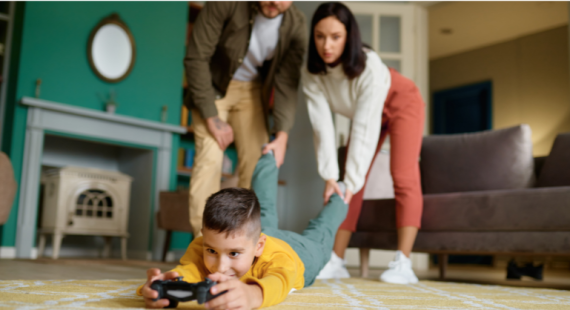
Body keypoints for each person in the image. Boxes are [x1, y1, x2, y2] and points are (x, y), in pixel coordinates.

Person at [302, 2, 425, 284]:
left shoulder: (368, 66)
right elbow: (322, 126)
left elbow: (364, 129)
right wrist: (331, 177)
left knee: (403, 175)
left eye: (336, 37)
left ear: (349, 37)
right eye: (320, 36)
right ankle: (337, 260)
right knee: (347, 183)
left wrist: (349, 178)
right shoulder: (312, 73)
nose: (326, 45)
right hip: (368, 114)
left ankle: (404, 262)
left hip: (401, 100)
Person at [138, 152, 348, 309]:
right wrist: (165, 284)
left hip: (300, 253)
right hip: (255, 234)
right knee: (261, 207)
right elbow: (190, 270)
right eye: (211, 251)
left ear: (259, 246)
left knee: (321, 233)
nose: (220, 266)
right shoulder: (209, 242)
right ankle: (268, 155)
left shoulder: (278, 261)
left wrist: (252, 294)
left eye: (233, 254)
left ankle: (342, 195)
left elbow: (279, 282)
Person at [184, 1, 307, 237]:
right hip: (212, 88)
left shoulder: (296, 24)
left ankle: (243, 245)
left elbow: (286, 84)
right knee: (209, 158)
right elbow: (196, 58)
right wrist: (211, 116)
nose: (275, 2)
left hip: (252, 92)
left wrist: (282, 136)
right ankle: (203, 245)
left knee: (257, 165)